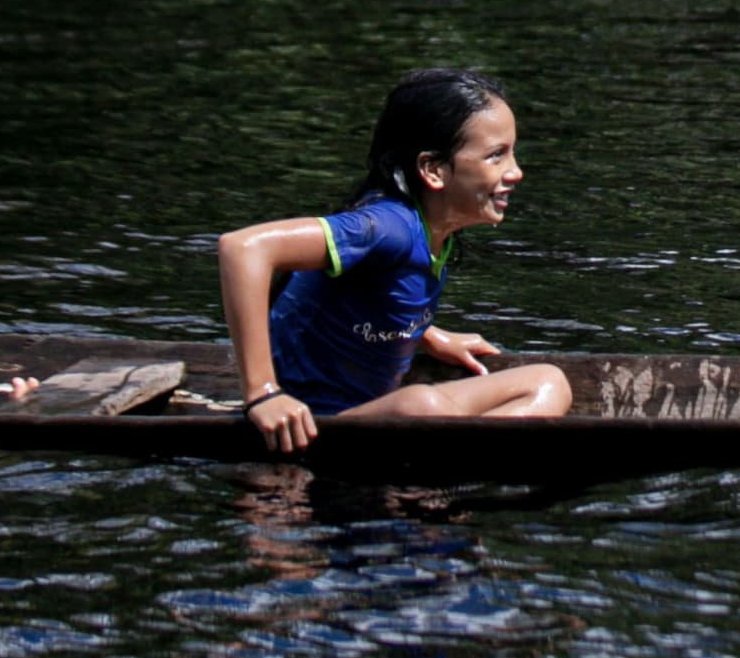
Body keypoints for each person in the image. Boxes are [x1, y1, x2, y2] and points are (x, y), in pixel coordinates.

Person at [218, 68, 574, 453]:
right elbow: (244, 248)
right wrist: (263, 392)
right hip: (310, 424)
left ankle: (464, 458)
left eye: (511, 153)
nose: (516, 172)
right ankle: (465, 460)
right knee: (422, 405)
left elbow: (368, 302)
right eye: (496, 156)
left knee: (549, 382)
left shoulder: (435, 233)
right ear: (433, 170)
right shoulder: (386, 227)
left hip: (372, 415)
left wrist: (426, 335)